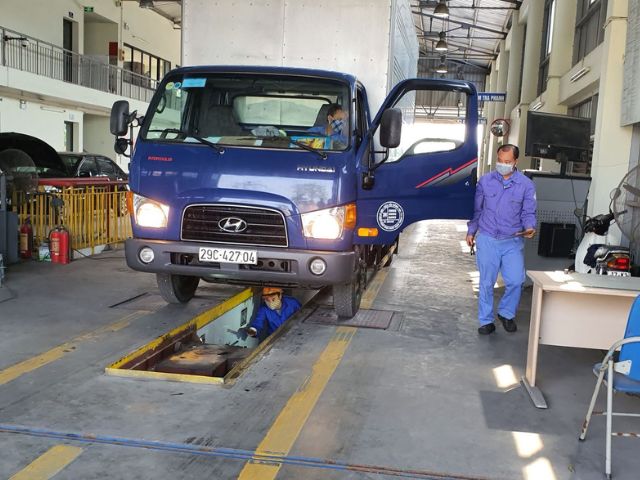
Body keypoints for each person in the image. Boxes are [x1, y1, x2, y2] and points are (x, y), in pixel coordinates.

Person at [466, 144, 537, 335]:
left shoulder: (526, 185)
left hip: (512, 241)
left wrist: (530, 227)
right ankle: (486, 320)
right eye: (500, 160)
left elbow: (528, 212)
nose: (502, 165)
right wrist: (471, 231)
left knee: (516, 280)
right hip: (488, 238)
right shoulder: (485, 181)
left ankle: (506, 313)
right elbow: (477, 210)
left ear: (515, 162)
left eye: (507, 162)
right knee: (486, 283)